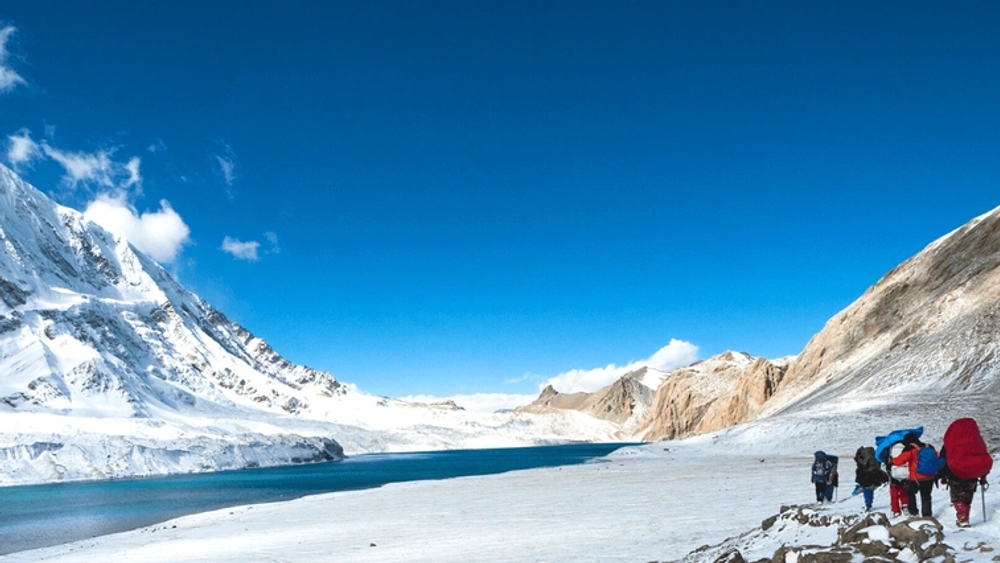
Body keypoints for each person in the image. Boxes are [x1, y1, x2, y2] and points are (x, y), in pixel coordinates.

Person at [939, 418, 993, 527]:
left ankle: (962, 518)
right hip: (972, 475)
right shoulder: (977, 442)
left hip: (954, 474)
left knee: (957, 497)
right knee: (967, 497)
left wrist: (943, 476)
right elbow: (982, 457)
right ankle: (964, 518)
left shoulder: (951, 444)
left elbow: (943, 459)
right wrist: (983, 477)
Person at [891, 432, 938, 517]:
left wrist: (891, 460)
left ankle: (913, 513)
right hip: (930, 476)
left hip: (916, 477)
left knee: (910, 493)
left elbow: (900, 461)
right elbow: (937, 457)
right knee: (926, 496)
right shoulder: (928, 446)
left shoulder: (911, 448)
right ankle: (927, 515)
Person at [854, 446, 888, 511]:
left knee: (867, 490)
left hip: (865, 475)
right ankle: (869, 503)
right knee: (869, 490)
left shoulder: (861, 456)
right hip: (874, 474)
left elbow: (860, 464)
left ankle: (868, 505)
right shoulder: (873, 454)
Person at [886, 441, 911, 516]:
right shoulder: (906, 448)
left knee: (894, 494)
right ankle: (905, 505)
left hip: (895, 473)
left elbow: (889, 464)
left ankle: (896, 510)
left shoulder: (891, 450)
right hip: (905, 473)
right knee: (904, 492)